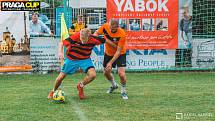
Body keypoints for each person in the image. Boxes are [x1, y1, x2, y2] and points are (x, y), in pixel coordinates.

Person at [47, 28, 116, 100]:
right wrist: (60, 53)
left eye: (84, 39)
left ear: (89, 37)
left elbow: (105, 40)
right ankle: (53, 91)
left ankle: (80, 86)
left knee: (93, 75)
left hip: (85, 59)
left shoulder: (94, 39)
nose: (82, 41)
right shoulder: (75, 36)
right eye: (81, 38)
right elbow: (61, 43)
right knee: (60, 77)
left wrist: (116, 47)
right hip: (71, 59)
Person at [94, 19, 128, 100]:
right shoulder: (105, 26)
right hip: (108, 53)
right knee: (106, 72)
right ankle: (114, 85)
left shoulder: (122, 33)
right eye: (111, 28)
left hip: (120, 54)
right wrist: (95, 38)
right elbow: (96, 33)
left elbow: (118, 50)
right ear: (109, 25)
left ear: (118, 27)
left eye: (114, 29)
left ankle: (123, 91)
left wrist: (110, 62)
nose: (112, 30)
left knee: (122, 74)